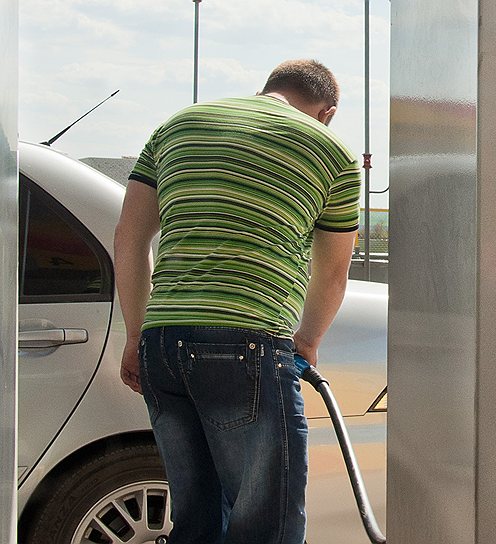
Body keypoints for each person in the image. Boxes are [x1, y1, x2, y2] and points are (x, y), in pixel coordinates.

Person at [114, 59, 361, 543]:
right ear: (327, 112)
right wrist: (308, 341)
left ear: (268, 87)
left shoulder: (176, 126)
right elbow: (333, 272)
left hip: (162, 343)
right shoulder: (331, 151)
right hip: (248, 344)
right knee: (267, 527)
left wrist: (136, 335)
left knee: (197, 523)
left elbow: (130, 236)